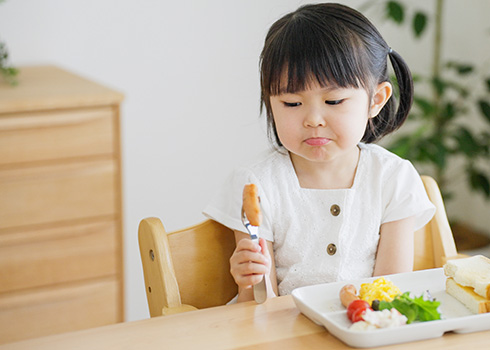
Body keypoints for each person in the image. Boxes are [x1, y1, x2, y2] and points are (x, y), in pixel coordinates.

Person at [203, 2, 435, 303]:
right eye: (291, 104)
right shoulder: (257, 182)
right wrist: (250, 280)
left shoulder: (392, 178)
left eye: (334, 101)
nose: (313, 119)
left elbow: (389, 294)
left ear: (376, 99)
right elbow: (259, 307)